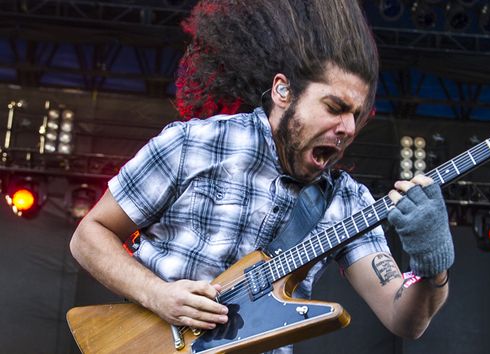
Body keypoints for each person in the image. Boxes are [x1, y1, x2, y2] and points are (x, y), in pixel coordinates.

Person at [69, 0, 454, 353]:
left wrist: (432, 262)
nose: (348, 128)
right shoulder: (195, 144)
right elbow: (89, 236)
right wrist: (158, 295)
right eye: (334, 107)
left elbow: (404, 319)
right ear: (283, 91)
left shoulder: (347, 202)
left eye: (357, 116)